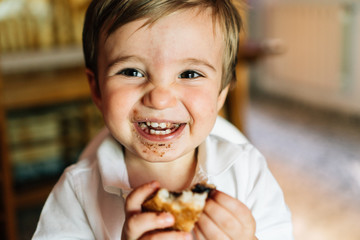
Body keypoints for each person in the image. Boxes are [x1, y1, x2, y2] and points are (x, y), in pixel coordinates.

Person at [33, 0, 293, 239]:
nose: (159, 99)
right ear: (97, 89)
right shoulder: (78, 193)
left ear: (220, 94)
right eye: (132, 71)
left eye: (190, 74)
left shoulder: (246, 172)